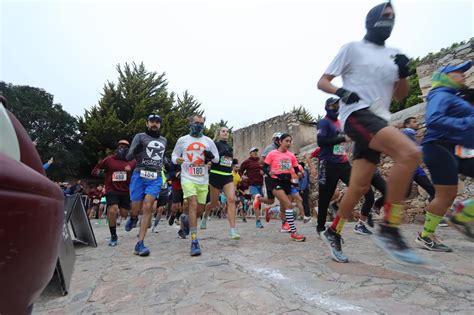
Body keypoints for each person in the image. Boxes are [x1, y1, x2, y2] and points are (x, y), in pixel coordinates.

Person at [317, 2, 424, 264]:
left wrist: (403, 73)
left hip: (380, 119)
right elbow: (323, 81)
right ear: (372, 19)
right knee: (409, 153)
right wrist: (341, 92)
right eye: (385, 16)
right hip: (357, 114)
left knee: (359, 186)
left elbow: (399, 96)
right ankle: (390, 226)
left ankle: (334, 230)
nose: (389, 20)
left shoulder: (395, 54)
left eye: (393, 17)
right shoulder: (352, 49)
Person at [417, 61, 474, 250]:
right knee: (446, 194)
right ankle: (426, 235)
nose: (463, 75)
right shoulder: (440, 94)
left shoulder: (454, 97)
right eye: (458, 72)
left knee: (447, 194)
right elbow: (433, 119)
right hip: (439, 146)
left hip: (458, 148)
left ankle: (463, 212)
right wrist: (468, 121)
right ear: (445, 77)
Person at [315, 97, 376, 236]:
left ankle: (363, 220)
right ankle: (320, 227)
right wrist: (343, 138)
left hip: (343, 164)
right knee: (325, 197)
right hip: (328, 164)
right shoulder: (323, 123)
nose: (335, 108)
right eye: (332, 106)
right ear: (326, 107)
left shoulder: (340, 123)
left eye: (337, 105)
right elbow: (321, 141)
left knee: (363, 188)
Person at [172, 115, 219, 256]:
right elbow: (173, 156)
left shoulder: (208, 141)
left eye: (201, 123)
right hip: (187, 177)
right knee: (192, 204)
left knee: (199, 210)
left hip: (203, 179)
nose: (199, 125)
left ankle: (186, 220)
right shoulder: (183, 140)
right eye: (196, 123)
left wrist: (211, 157)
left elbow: (217, 158)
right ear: (190, 124)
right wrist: (177, 160)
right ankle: (194, 241)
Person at [125, 114, 167, 256]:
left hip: (155, 176)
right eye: (152, 122)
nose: (155, 124)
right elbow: (129, 157)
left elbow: (161, 157)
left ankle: (140, 243)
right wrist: (136, 150)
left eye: (157, 122)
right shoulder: (140, 136)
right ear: (147, 123)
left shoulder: (163, 140)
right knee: (136, 208)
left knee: (148, 205)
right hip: (139, 174)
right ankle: (133, 217)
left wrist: (168, 162)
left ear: (160, 124)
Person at [91, 140, 136, 246]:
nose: (122, 148)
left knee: (124, 214)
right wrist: (101, 173)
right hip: (112, 190)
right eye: (121, 146)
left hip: (126, 191)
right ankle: (113, 235)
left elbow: (138, 173)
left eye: (125, 147)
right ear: (116, 148)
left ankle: (133, 218)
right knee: (112, 210)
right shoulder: (109, 160)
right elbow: (94, 170)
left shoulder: (133, 161)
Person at [263, 133, 306, 241]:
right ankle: (294, 232)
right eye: (286, 141)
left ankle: (272, 211)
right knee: (288, 205)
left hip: (288, 182)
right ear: (280, 142)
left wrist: (300, 174)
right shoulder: (272, 153)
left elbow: (296, 169)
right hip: (275, 181)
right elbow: (264, 167)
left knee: (285, 207)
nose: (289, 143)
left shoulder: (291, 155)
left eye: (290, 141)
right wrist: (269, 172)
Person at [201, 127, 240, 239]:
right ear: (218, 133)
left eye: (227, 131)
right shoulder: (214, 144)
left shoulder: (230, 147)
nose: (225, 133)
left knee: (231, 200)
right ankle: (206, 214)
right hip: (215, 175)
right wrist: (223, 153)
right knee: (213, 203)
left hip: (227, 176)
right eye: (223, 131)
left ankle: (232, 231)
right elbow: (209, 157)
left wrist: (233, 162)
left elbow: (227, 161)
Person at [402, 117, 436, 201]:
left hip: (416, 169)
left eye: (416, 121)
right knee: (405, 194)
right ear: (407, 125)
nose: (417, 123)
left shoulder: (410, 135)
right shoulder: (407, 132)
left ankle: (430, 211)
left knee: (432, 191)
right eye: (414, 122)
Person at [239, 147, 265, 228]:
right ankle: (258, 221)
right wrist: (243, 176)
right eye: (253, 151)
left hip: (260, 184)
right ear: (250, 153)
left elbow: (266, 169)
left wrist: (263, 172)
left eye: (256, 151)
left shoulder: (260, 161)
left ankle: (249, 205)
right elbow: (240, 171)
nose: (255, 152)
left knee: (258, 202)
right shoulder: (247, 162)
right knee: (257, 198)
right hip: (252, 184)